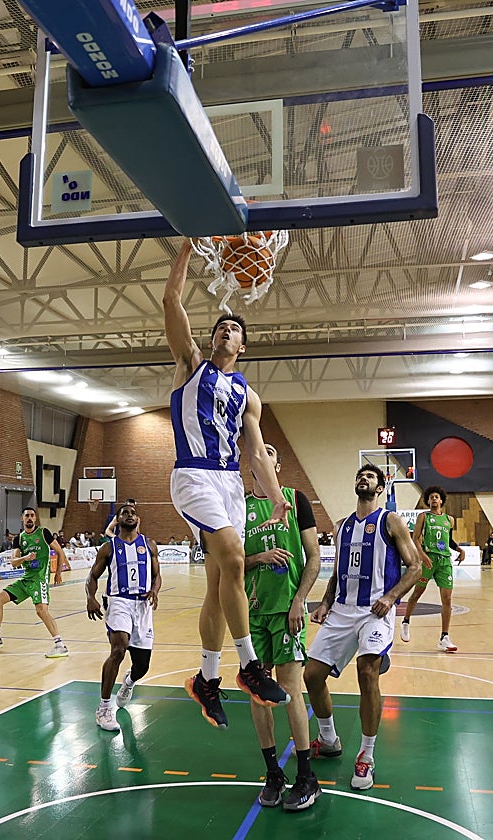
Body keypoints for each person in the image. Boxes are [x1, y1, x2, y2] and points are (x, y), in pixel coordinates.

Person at [164, 239, 291, 727]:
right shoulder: (189, 365)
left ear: (243, 346)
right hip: (193, 473)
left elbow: (255, 451)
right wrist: (186, 250)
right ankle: (250, 666)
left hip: (231, 485)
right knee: (236, 558)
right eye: (221, 326)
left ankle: (206, 680)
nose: (226, 330)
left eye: (235, 328)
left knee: (220, 581)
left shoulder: (247, 394)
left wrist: (277, 497)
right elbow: (171, 301)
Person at [303, 465, 424, 790]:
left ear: (381, 487)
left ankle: (366, 756)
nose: (363, 479)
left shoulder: (390, 520)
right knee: (311, 675)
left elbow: (415, 567)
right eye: (360, 475)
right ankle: (329, 739)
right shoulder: (342, 526)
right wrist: (326, 603)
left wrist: (391, 598)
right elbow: (336, 573)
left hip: (375, 611)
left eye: (370, 477)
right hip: (342, 610)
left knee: (367, 672)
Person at [242, 444, 323, 811]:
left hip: (287, 612)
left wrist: (299, 600)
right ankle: (273, 773)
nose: (261, 454)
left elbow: (315, 557)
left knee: (290, 689)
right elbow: (226, 565)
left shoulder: (296, 499)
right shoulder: (238, 507)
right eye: (257, 450)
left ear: (277, 463)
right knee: (258, 695)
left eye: (268, 450)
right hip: (251, 615)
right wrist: (259, 557)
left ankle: (307, 776)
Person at [85, 501, 161, 732]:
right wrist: (91, 597)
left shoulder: (149, 545)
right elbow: (92, 577)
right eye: (124, 513)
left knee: (142, 666)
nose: (129, 515)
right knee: (118, 649)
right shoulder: (109, 548)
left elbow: (157, 576)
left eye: (133, 513)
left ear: (138, 519)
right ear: (117, 520)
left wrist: (155, 591)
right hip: (119, 601)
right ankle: (104, 708)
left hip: (143, 606)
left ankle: (129, 682)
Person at [0, 507, 69, 658]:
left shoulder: (43, 533)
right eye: (27, 515)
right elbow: (14, 563)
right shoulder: (18, 539)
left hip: (39, 579)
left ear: (35, 519)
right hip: (25, 579)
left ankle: (60, 645)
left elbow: (60, 552)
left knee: (41, 611)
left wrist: (58, 573)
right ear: (22, 518)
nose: (29, 518)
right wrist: (25, 558)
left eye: (32, 516)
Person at [401, 485, 466, 652]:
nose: (434, 499)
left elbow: (449, 540)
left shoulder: (449, 520)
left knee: (447, 599)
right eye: (431, 497)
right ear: (428, 501)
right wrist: (422, 556)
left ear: (442, 500)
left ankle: (444, 637)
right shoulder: (423, 516)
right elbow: (415, 538)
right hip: (428, 559)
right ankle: (406, 622)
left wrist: (459, 549)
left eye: (437, 497)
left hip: (444, 561)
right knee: (417, 593)